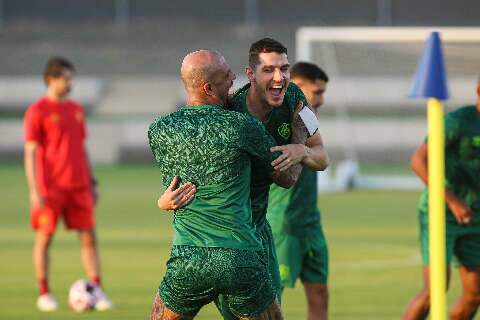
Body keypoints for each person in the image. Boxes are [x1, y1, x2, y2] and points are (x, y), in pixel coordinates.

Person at [148, 50, 298, 320]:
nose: (233, 80)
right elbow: (285, 177)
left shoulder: (160, 129)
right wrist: (299, 138)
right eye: (227, 76)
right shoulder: (242, 126)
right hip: (240, 257)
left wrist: (161, 202)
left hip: (188, 258)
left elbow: (173, 191)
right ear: (208, 87)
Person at [23, 57, 112, 312]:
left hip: (79, 186)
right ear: (51, 79)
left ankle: (96, 289)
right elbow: (30, 153)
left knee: (89, 238)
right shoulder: (37, 112)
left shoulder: (76, 109)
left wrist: (92, 181)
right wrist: (34, 189)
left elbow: (81, 148)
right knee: (44, 238)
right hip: (50, 189)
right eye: (66, 78)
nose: (70, 82)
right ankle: (44, 293)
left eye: (72, 77)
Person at [403, 81, 480, 320]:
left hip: (475, 215)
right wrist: (452, 201)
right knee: (435, 290)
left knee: (475, 294)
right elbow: (418, 161)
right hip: (441, 211)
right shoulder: (458, 122)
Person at [267, 62, 330, 320]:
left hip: (310, 223)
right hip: (284, 223)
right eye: (318, 92)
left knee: (319, 293)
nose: (322, 99)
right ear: (298, 87)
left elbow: (322, 160)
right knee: (271, 298)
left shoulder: (308, 121)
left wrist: (303, 152)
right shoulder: (279, 120)